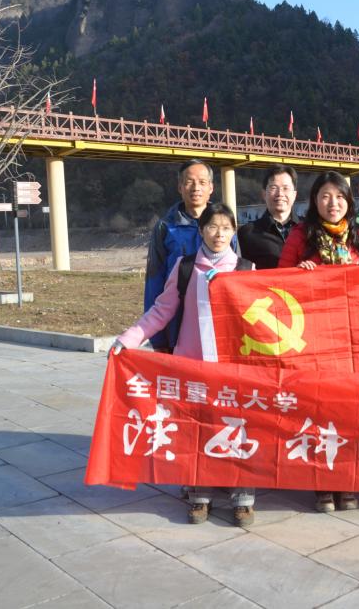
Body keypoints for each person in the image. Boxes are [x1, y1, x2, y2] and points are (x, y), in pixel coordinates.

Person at [113, 202, 258, 527]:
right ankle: (199, 494)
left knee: (237, 428)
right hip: (192, 366)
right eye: (212, 226)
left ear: (234, 232)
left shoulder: (246, 269)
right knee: (196, 429)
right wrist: (128, 339)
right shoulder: (185, 267)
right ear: (201, 230)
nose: (219, 234)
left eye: (226, 228)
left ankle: (243, 497)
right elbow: (161, 311)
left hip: (232, 368)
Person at [278, 170, 359, 513]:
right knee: (317, 409)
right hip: (314, 338)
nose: (333, 203)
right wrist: (298, 275)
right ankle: (321, 481)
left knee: (349, 409)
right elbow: (279, 282)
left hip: (352, 338)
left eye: (339, 196)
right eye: (325, 196)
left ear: (349, 201)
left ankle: (347, 480)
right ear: (314, 201)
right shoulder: (300, 235)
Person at [143, 159, 215, 352]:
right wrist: (158, 339)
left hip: (215, 320)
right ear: (180, 187)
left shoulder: (223, 226)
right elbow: (154, 281)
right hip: (177, 321)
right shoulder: (165, 227)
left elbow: (237, 274)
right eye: (189, 182)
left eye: (202, 182)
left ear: (211, 188)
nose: (196, 188)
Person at [238, 166, 299, 270]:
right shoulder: (247, 233)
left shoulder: (309, 229)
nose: (280, 194)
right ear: (264, 194)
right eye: (273, 188)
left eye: (285, 188)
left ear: (294, 194)